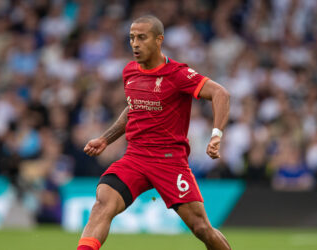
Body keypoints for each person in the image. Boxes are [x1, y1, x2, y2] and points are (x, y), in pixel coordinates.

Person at [77, 15, 231, 250]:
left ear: (158, 40)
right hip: (135, 158)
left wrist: (217, 135)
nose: (135, 44)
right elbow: (134, 108)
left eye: (141, 37)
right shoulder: (130, 71)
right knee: (103, 202)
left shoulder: (178, 74)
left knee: (201, 228)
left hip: (170, 162)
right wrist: (105, 139)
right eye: (131, 38)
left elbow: (221, 94)